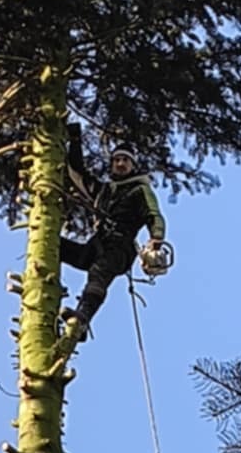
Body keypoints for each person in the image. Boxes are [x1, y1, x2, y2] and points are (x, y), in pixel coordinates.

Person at [60, 126, 169, 338]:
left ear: (133, 165)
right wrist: (75, 139)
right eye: (116, 160)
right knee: (57, 247)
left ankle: (82, 320)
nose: (120, 163)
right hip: (96, 244)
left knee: (99, 273)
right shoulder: (103, 191)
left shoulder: (139, 190)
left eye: (125, 160)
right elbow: (76, 172)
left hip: (120, 247)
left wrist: (156, 238)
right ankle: (47, 293)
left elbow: (153, 214)